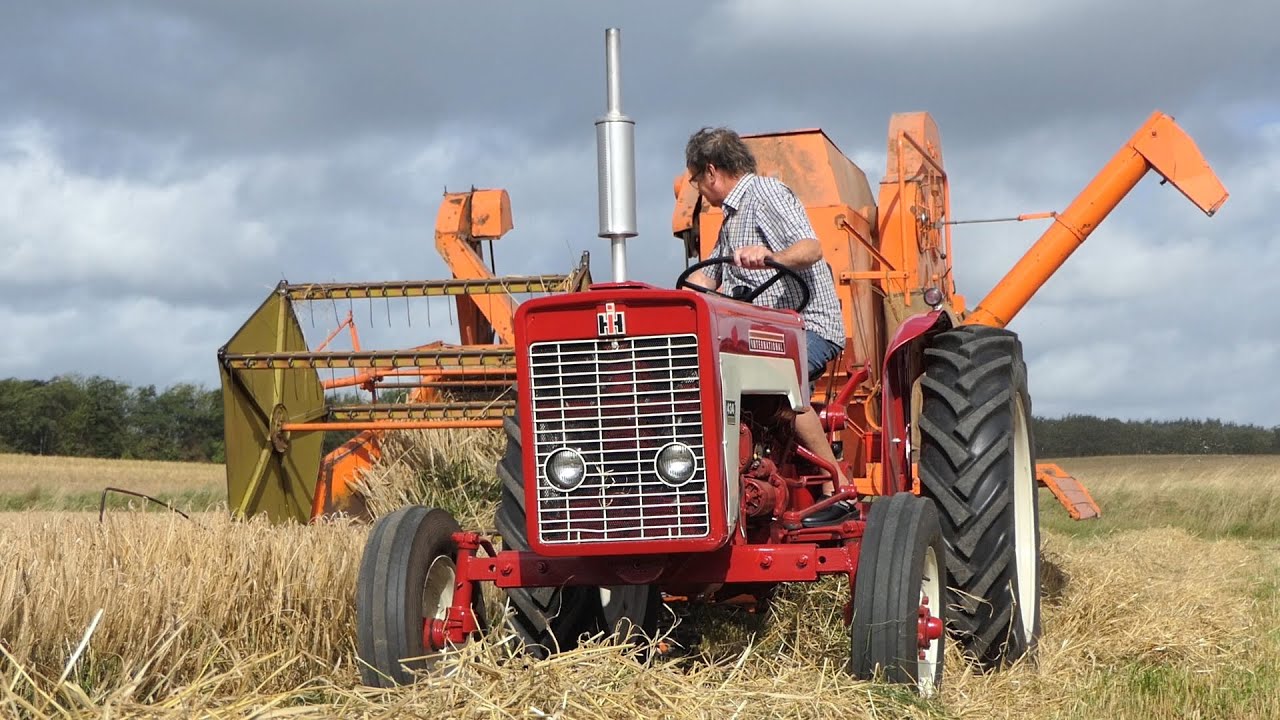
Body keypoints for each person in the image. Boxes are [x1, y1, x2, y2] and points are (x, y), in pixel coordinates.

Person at [681, 127, 852, 526]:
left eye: (695, 180)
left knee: (779, 386)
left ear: (711, 171)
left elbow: (811, 248)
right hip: (763, 337)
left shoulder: (766, 195)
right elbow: (709, 276)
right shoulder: (729, 220)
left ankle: (836, 486)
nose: (699, 190)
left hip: (809, 324)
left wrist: (769, 255)